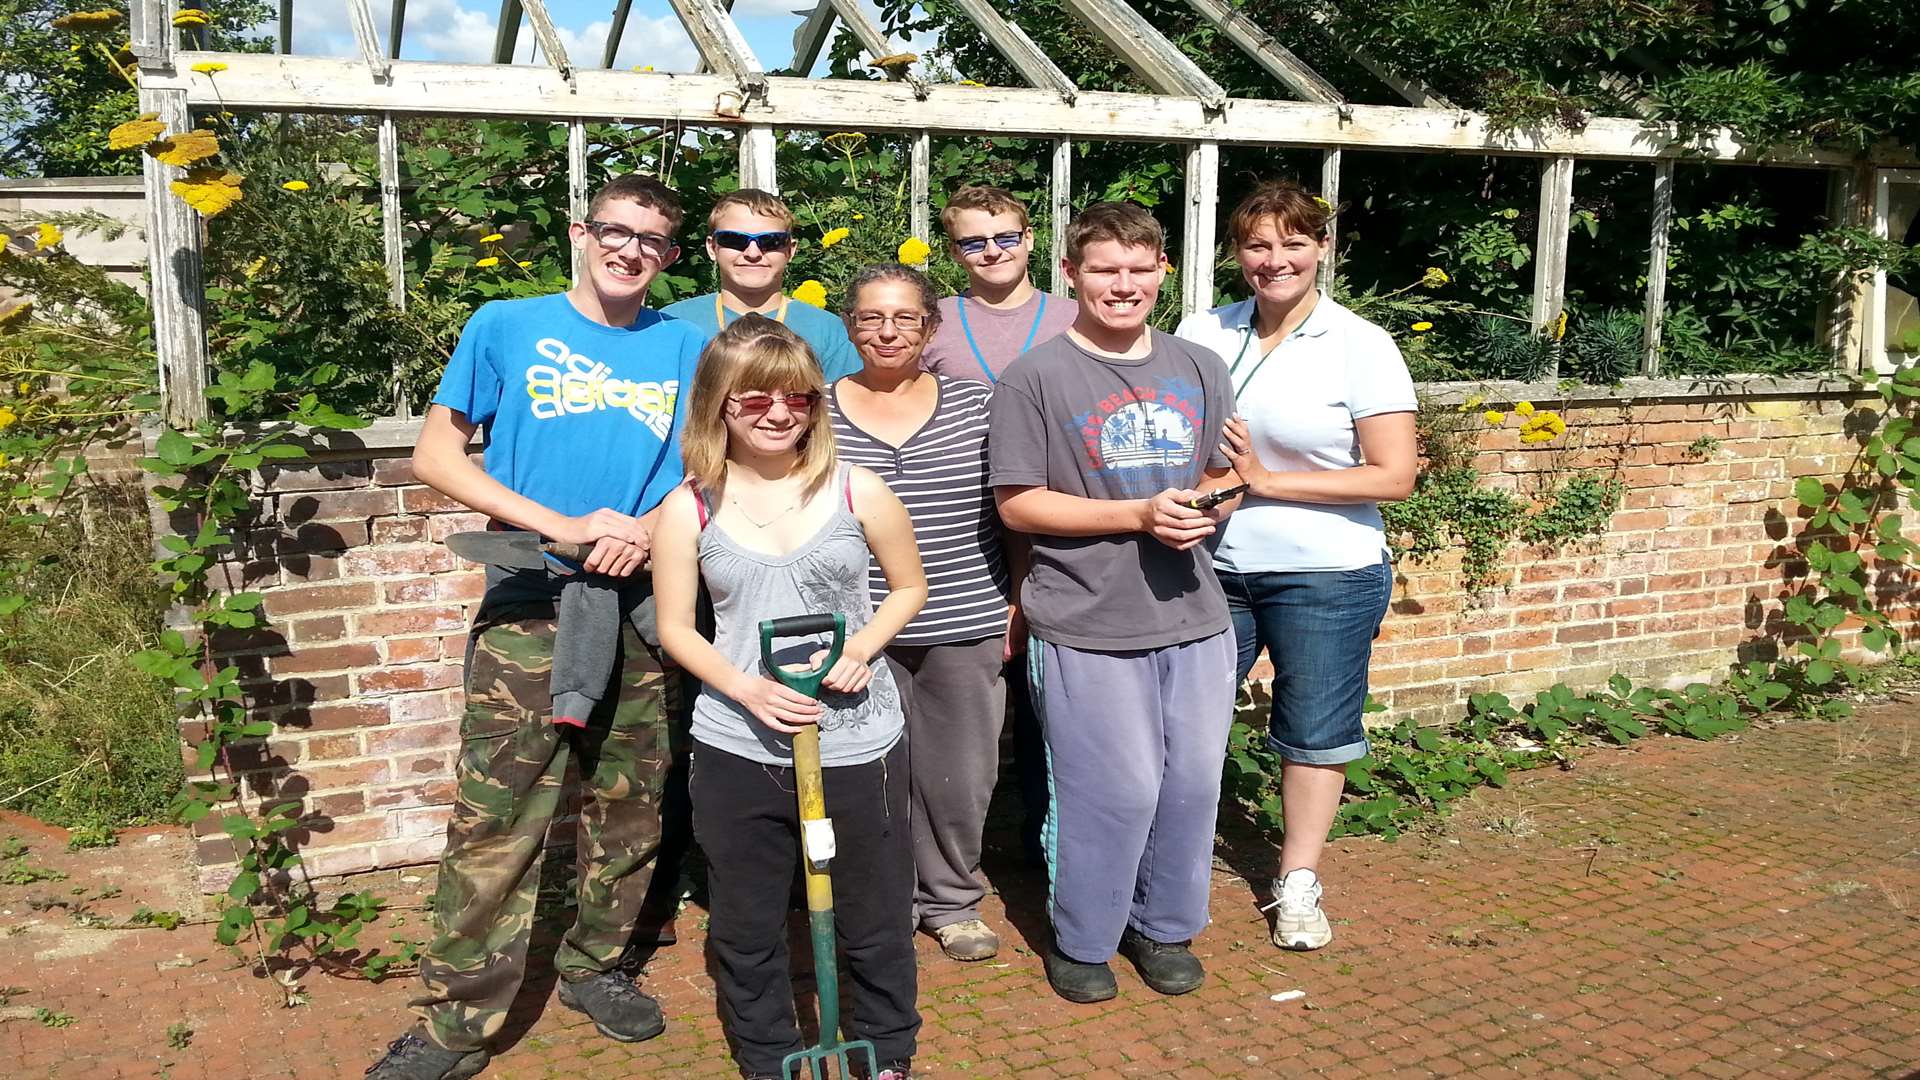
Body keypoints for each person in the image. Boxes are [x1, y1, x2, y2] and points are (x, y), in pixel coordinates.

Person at [370, 174, 706, 1080]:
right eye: (615, 230)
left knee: (630, 808)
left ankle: (597, 968)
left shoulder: (684, 346)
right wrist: (560, 526)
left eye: (652, 240)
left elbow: (704, 464)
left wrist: (647, 525)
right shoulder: (506, 324)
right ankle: (455, 1021)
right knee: (499, 815)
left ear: (671, 257)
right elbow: (436, 455)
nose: (630, 250)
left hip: (643, 603)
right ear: (581, 231)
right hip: (533, 603)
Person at [651, 316, 928, 1080]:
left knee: (873, 912)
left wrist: (863, 649)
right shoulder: (690, 507)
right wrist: (745, 686)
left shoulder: (856, 488)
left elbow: (908, 587)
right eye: (754, 400)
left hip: (857, 740)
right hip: (741, 744)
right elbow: (677, 628)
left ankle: (888, 1048)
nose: (779, 414)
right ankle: (769, 1053)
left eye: (798, 398)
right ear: (718, 406)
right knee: (746, 918)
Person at [988, 202, 1241, 1004]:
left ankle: (1164, 927)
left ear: (1163, 271)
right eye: (1104, 269)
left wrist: (1205, 505)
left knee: (1193, 785)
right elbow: (1020, 503)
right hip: (1086, 619)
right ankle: (1084, 937)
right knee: (1115, 790)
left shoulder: (1199, 365)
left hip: (1196, 615)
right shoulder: (1035, 377)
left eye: (1138, 269)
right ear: (1071, 275)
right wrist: (1136, 514)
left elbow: (1225, 480)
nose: (1121, 284)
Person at [1174, 180, 1416, 952]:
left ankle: (1299, 882)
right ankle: (1169, 869)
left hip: (1328, 573)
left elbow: (1393, 475)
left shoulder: (1360, 344)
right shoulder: (1202, 331)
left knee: (1312, 729)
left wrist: (1270, 483)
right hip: (1213, 565)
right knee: (1186, 720)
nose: (1272, 260)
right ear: (1236, 253)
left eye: (1290, 243)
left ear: (1321, 248)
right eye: (1256, 245)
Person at [827, 264, 1012, 962]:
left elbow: (1011, 508)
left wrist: (1018, 599)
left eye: (905, 317)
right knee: (866, 774)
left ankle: (953, 901)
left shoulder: (978, 404)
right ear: (850, 325)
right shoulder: (815, 407)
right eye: (872, 317)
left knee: (961, 775)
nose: (888, 331)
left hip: (965, 616)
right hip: (856, 629)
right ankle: (882, 901)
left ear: (930, 327)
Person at [920, 184, 1077, 870]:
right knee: (980, 692)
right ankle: (961, 853)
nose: (992, 251)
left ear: (1030, 238)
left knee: (1056, 697)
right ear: (955, 251)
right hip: (961, 526)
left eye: (1005, 236)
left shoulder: (1073, 317)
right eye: (974, 241)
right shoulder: (935, 322)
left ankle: (1052, 842)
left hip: (1057, 519)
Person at [662, 189, 863, 381]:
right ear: (712, 247)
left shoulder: (828, 330)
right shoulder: (672, 323)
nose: (753, 253)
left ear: (791, 250)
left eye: (771, 241)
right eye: (734, 240)